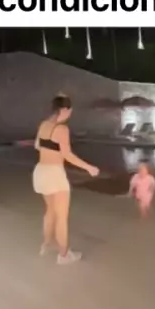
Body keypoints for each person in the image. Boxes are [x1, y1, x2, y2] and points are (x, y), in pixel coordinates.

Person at [33, 94, 99, 264]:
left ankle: (46, 244)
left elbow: (37, 145)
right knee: (62, 217)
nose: (71, 113)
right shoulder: (62, 129)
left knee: (50, 211)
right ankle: (63, 255)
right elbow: (67, 155)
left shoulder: (44, 124)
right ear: (64, 110)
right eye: (70, 110)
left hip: (40, 171)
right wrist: (89, 167)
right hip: (54, 174)